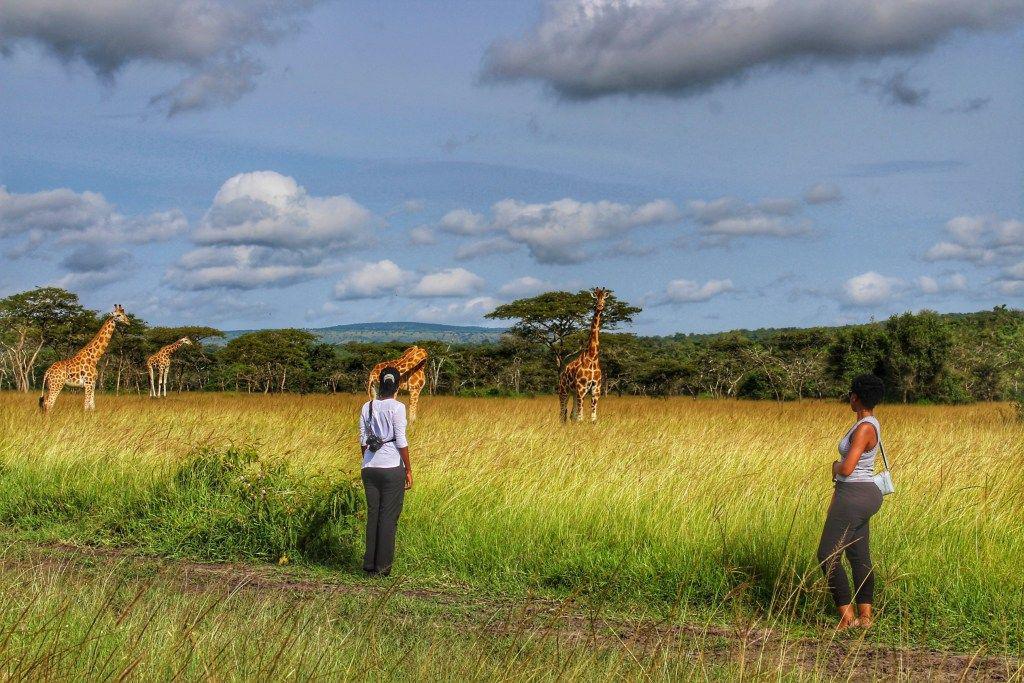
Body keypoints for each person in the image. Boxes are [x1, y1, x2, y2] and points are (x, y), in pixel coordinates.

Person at [817, 373, 886, 630]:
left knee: (826, 554)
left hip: (854, 494)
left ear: (855, 397)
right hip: (862, 494)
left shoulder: (865, 427)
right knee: (858, 555)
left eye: (851, 394)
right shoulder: (870, 423)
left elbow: (846, 469)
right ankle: (866, 618)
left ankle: (846, 619)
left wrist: (834, 466)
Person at [359, 367, 412, 577]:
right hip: (391, 468)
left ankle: (369, 565)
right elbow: (401, 440)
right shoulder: (398, 408)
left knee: (373, 515)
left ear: (380, 383)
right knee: (388, 517)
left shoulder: (367, 406)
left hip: (369, 468)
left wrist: (369, 458)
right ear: (398, 385)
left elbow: (363, 440)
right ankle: (382, 568)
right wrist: (408, 469)